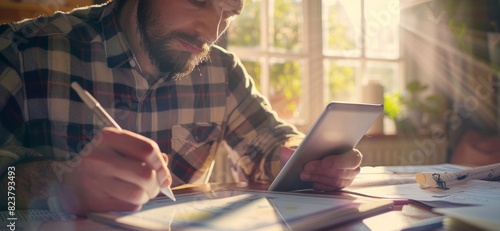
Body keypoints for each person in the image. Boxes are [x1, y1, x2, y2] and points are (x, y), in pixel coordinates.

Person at [0, 0, 362, 215]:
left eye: (230, 12)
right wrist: (62, 184)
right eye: (198, 0)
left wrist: (304, 158)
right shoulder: (22, 50)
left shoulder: (222, 70)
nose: (211, 30)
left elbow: (269, 142)